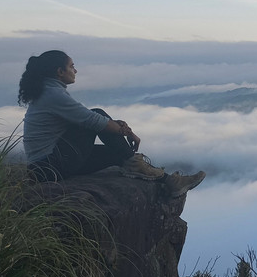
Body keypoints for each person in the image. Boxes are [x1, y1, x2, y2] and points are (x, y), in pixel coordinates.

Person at [19, 50, 205, 197]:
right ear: (60, 72)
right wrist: (125, 131)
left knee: (118, 156)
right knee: (97, 113)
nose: (75, 70)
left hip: (46, 168)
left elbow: (83, 119)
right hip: (50, 167)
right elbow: (92, 120)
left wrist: (117, 126)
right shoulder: (53, 95)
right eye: (71, 66)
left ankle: (168, 181)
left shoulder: (47, 92)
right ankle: (163, 178)